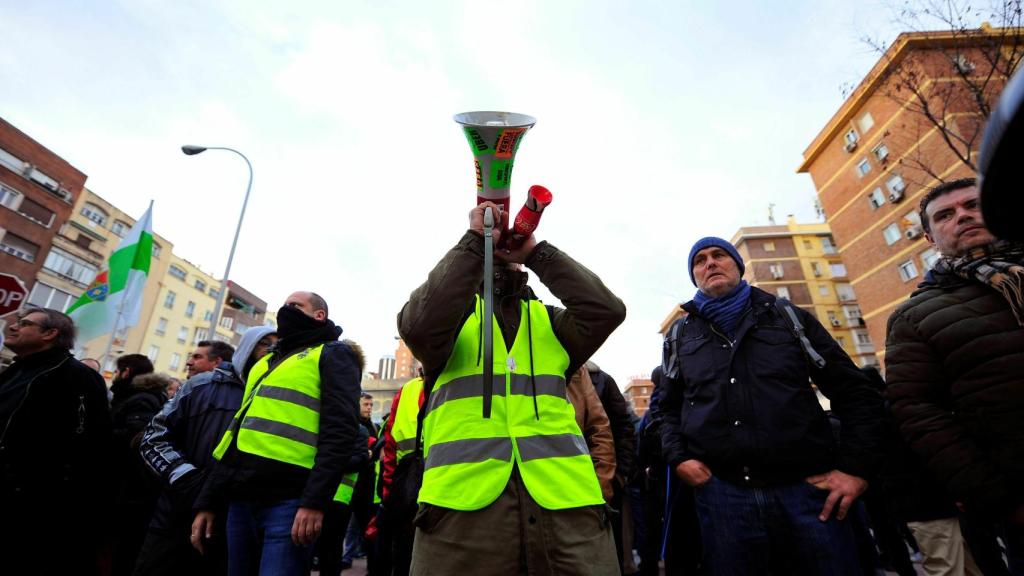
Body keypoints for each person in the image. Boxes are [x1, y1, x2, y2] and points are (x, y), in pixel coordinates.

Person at [397, 201, 627, 575]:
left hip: (568, 508)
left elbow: (607, 311)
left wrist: (537, 252)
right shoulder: (450, 322)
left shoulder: (552, 323)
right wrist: (475, 241)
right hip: (461, 514)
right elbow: (419, 325)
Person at [660, 237, 885, 575]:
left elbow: (855, 392)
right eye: (700, 260)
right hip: (723, 496)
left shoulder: (787, 318)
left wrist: (855, 469)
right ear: (694, 276)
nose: (710, 263)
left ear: (738, 264)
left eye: (719, 255)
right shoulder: (679, 336)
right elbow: (666, 409)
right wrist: (679, 457)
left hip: (808, 493)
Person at [885, 177, 1024, 575]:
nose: (962, 216)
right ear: (929, 238)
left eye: (972, 205)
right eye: (945, 215)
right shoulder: (916, 318)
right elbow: (919, 414)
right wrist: (998, 499)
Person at [192, 292, 363, 575]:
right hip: (241, 499)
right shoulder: (264, 363)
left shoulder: (333, 353)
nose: (286, 310)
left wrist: (314, 502)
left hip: (290, 503)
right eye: (284, 306)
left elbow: (340, 433)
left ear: (319, 315)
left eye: (296, 306)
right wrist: (207, 500)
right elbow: (235, 437)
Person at [0, 307, 113, 575]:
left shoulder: (77, 377)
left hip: (37, 508)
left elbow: (92, 445)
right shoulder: (15, 370)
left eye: (24, 323)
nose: (13, 326)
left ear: (50, 334)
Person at [135, 338, 252, 576]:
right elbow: (153, 438)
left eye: (197, 356)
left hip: (227, 518)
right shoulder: (197, 387)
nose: (189, 362)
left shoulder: (265, 395)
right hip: (173, 511)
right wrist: (187, 478)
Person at [110, 370, 169, 576]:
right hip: (139, 483)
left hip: (132, 482)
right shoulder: (156, 401)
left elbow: (134, 436)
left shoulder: (142, 400)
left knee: (124, 543)